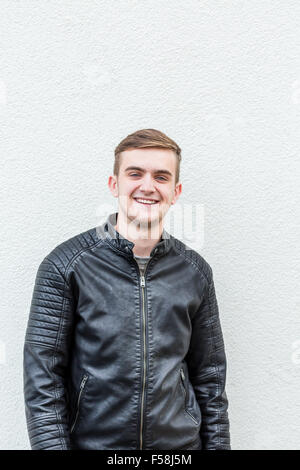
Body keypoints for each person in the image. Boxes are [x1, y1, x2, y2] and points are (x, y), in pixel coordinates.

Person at [23, 128, 231, 450]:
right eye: (135, 173)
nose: (147, 186)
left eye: (161, 177)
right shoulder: (66, 266)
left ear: (175, 191)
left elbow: (210, 380)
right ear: (114, 184)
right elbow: (43, 382)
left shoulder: (195, 273)